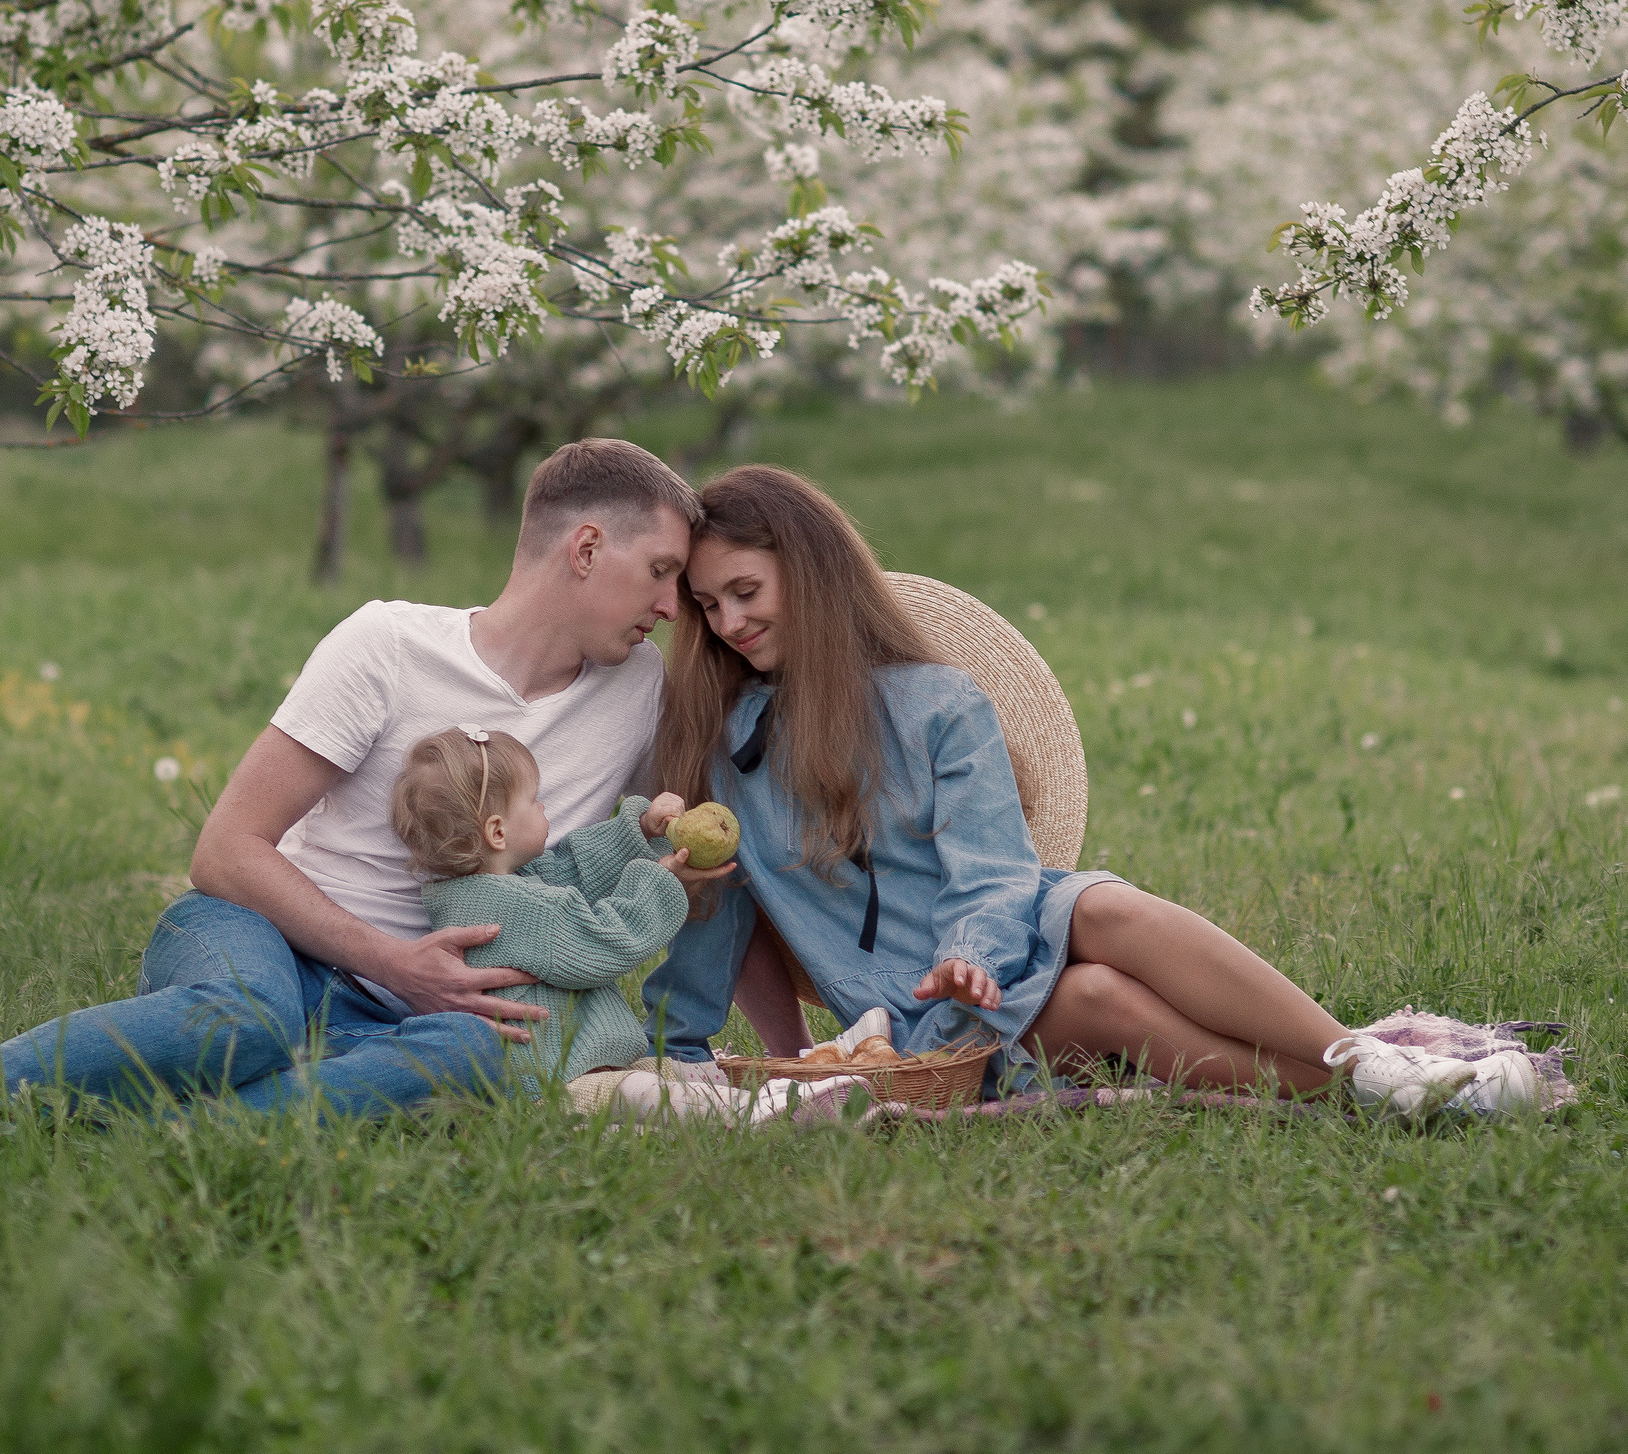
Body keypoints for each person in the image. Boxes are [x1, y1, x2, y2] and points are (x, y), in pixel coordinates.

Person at [642, 466, 1538, 1120]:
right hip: (937, 1018)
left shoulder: (938, 705)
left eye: (746, 592)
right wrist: (681, 1052)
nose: (730, 622)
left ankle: (1367, 1061)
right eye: (710, 605)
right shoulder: (727, 757)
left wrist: (975, 950)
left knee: (1107, 908)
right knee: (1102, 999)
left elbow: (993, 866)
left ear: (811, 571)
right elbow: (712, 916)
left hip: (1006, 938)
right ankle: (1375, 1089)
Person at [0, 438, 727, 1118]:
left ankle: (174, 1132)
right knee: (248, 1020)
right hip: (262, 938)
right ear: (586, 548)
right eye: (660, 572)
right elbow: (225, 853)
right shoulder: (387, 644)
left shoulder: (637, 688)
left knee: (468, 1057)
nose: (669, 605)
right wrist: (393, 962)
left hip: (412, 1020)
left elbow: (710, 831)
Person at [396, 724, 867, 1125]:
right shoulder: (506, 908)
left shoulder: (494, 888)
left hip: (595, 1067)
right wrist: (655, 882)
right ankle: (762, 1113)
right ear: (497, 831)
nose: (544, 810)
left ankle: (754, 1096)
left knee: (675, 1076)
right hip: (558, 1086)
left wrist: (639, 829)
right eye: (534, 801)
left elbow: (572, 870)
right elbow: (600, 944)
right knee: (647, 1091)